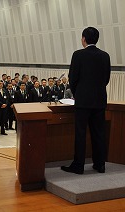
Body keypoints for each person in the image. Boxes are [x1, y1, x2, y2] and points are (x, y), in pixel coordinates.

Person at [61, 27, 111, 174]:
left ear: (83, 39)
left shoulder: (78, 55)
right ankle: (100, 164)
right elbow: (106, 79)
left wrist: (78, 94)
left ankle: (78, 165)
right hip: (100, 100)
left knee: (81, 133)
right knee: (98, 133)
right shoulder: (105, 56)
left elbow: (73, 78)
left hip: (83, 101)